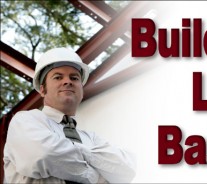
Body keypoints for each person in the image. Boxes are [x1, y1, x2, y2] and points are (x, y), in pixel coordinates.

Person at [3, 48, 136, 183]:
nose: (68, 81)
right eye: (58, 77)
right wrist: (95, 176)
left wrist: (74, 153)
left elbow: (126, 170)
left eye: (74, 77)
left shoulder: (92, 138)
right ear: (43, 90)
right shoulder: (25, 120)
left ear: (81, 90)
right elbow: (43, 154)